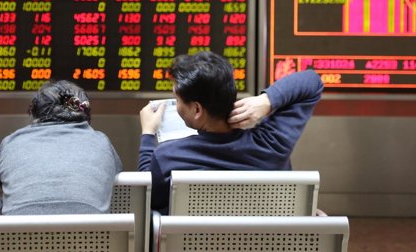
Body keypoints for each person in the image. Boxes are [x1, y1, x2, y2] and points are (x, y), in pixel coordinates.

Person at [138, 51, 323, 214]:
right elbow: (312, 82)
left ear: (197, 110)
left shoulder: (169, 157)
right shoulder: (271, 144)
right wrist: (267, 100)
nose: (176, 105)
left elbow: (146, 197)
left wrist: (147, 133)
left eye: (177, 99)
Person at [0, 79, 122, 214]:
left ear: (35, 112)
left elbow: (3, 182)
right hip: (92, 235)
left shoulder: (11, 143)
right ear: (84, 111)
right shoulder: (101, 142)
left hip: (18, 235)